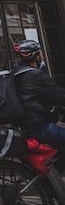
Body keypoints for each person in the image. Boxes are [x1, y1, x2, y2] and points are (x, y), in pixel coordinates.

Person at [14, 39, 65, 169]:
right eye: (40, 52)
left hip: (27, 124)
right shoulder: (36, 75)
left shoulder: (16, 74)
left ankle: (53, 178)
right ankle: (51, 179)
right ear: (37, 56)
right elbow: (59, 95)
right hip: (39, 126)